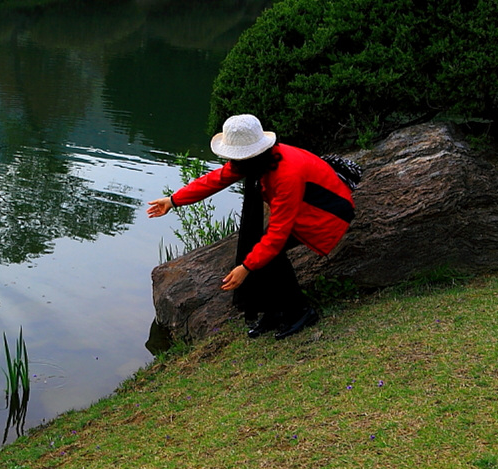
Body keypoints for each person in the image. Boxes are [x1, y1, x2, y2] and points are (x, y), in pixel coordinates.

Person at [147, 114, 355, 340]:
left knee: (269, 254)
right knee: (261, 250)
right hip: (306, 205)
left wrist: (246, 267)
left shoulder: (285, 173)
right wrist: (173, 200)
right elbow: (215, 179)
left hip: (326, 214)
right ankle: (275, 310)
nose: (231, 161)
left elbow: (277, 235)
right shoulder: (259, 161)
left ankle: (300, 312)